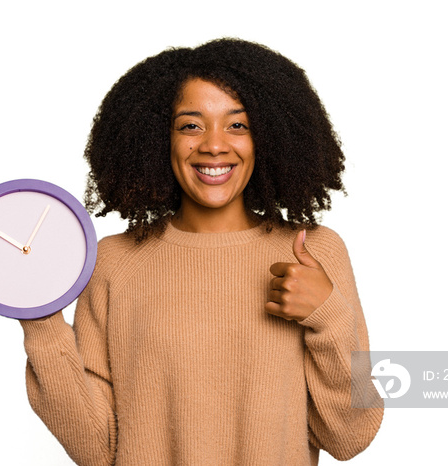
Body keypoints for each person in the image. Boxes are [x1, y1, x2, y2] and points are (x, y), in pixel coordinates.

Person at [20, 38, 383, 465]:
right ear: (160, 138)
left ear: (268, 136)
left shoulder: (314, 252)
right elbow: (96, 450)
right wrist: (40, 321)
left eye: (238, 125)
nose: (214, 145)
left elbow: (351, 436)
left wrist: (328, 315)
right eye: (191, 125)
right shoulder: (114, 262)